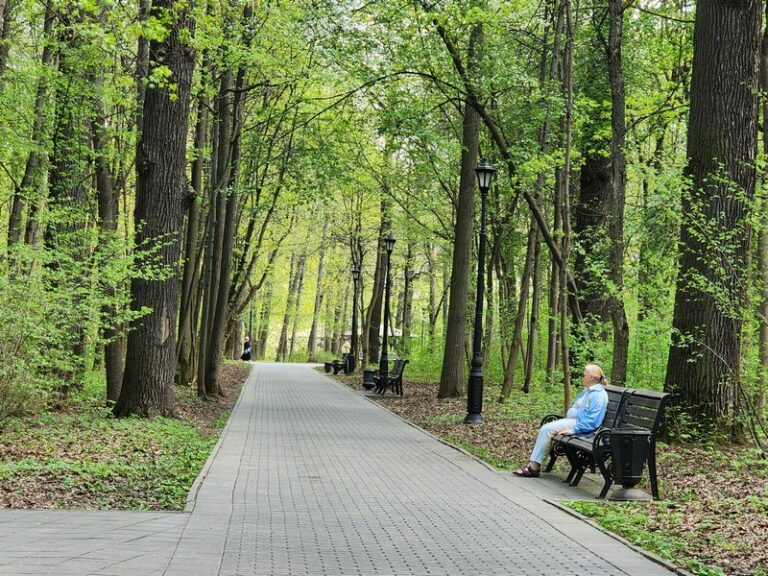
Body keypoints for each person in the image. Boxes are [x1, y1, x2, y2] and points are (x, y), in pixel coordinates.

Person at [513, 364, 608, 478]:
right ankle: (532, 464)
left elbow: (592, 421)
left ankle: (534, 467)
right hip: (575, 421)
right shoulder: (589, 391)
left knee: (547, 429)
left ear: (592, 378)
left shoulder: (597, 395)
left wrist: (574, 430)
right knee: (547, 428)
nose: (582, 377)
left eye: (584, 375)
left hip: (580, 425)